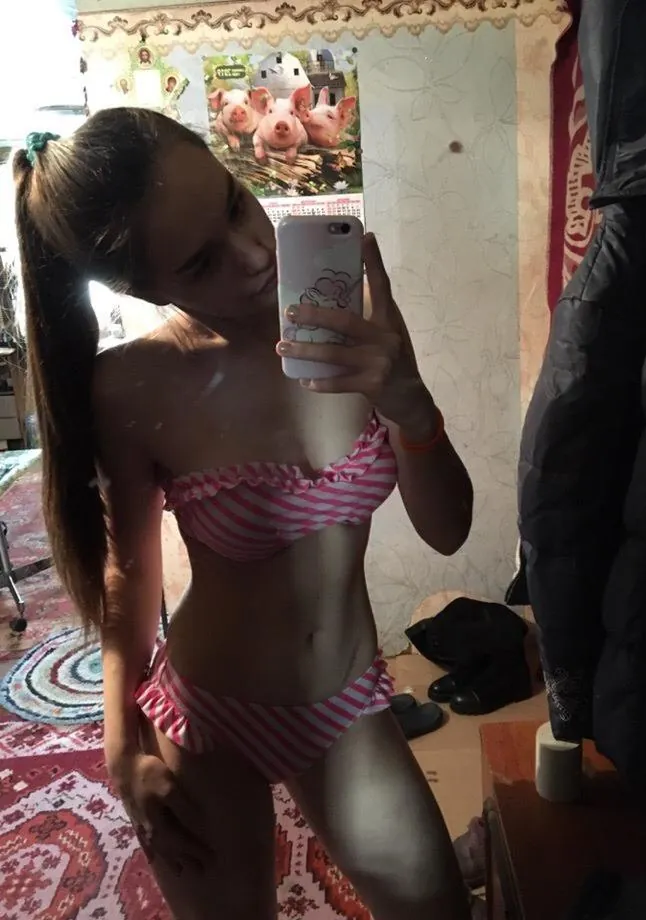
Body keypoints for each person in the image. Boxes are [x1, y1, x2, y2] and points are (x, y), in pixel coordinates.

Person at [12, 110, 474, 920]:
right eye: (202, 260)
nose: (255, 253)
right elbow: (129, 571)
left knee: (439, 908)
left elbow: (449, 529)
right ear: (142, 289)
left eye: (233, 202)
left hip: (345, 705)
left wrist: (410, 403)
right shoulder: (134, 386)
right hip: (207, 710)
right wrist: (120, 747)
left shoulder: (351, 319)